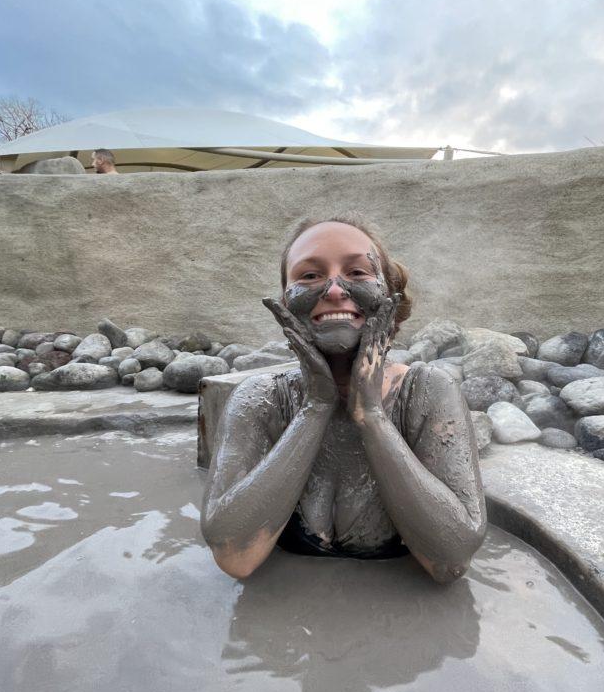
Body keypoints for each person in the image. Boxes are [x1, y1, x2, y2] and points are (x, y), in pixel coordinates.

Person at [201, 213, 486, 583]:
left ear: (388, 292)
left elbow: (451, 559)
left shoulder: (427, 391)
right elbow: (233, 557)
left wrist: (371, 415)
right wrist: (315, 406)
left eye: (357, 273)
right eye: (309, 275)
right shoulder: (260, 398)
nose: (334, 290)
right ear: (286, 302)